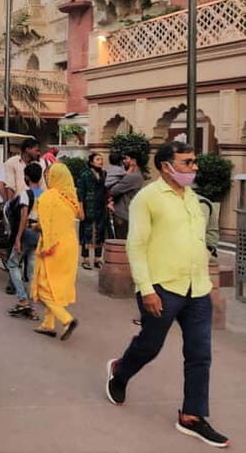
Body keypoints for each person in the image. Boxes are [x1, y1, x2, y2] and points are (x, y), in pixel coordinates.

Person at [106, 142, 228, 448]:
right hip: (162, 287)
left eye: (194, 162)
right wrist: (146, 290)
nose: (194, 167)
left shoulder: (192, 198)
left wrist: (207, 278)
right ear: (165, 167)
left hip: (197, 288)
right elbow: (136, 245)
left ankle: (192, 416)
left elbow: (197, 241)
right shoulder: (147, 198)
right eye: (187, 163)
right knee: (150, 345)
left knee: (200, 353)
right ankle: (121, 372)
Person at [31, 163, 82, 340]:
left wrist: (35, 227)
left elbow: (44, 225)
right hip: (70, 245)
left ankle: (66, 319)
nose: (46, 178)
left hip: (53, 247)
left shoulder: (48, 198)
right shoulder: (70, 198)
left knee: (44, 286)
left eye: (48, 175)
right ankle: (48, 324)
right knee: (55, 284)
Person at [6, 162, 44, 319]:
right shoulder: (45, 194)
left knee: (13, 263)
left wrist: (17, 238)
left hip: (27, 232)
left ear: (26, 177)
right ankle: (32, 308)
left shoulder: (25, 195)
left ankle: (23, 300)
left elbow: (23, 217)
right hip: (40, 234)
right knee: (31, 271)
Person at [77, 152, 108, 270]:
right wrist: (80, 209)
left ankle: (97, 259)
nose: (100, 161)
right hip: (88, 206)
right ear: (91, 162)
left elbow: (105, 190)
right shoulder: (85, 175)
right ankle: (85, 259)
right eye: (98, 159)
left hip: (100, 207)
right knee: (86, 232)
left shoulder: (104, 174)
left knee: (100, 232)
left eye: (101, 159)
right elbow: (80, 193)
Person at [109, 151, 144, 239]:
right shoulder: (138, 175)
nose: (124, 161)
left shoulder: (132, 177)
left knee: (122, 244)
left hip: (123, 214)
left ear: (134, 161)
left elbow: (114, 190)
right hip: (127, 214)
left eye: (127, 158)